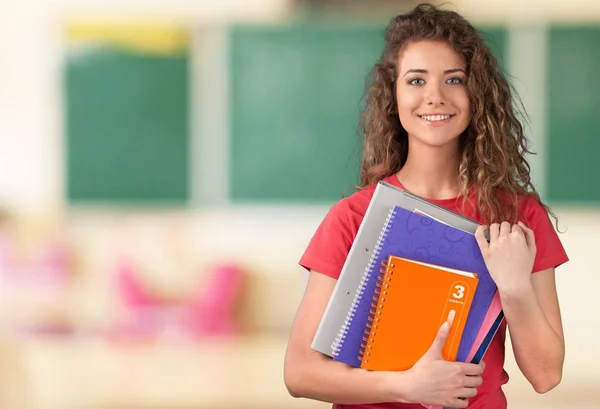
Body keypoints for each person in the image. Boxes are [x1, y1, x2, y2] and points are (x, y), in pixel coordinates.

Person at [283, 3, 568, 409]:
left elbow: (546, 375)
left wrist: (516, 287)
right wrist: (406, 386)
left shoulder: (520, 218)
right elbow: (300, 373)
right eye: (416, 80)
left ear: (477, 95)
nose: (435, 96)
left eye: (454, 79)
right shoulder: (353, 218)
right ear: (393, 96)